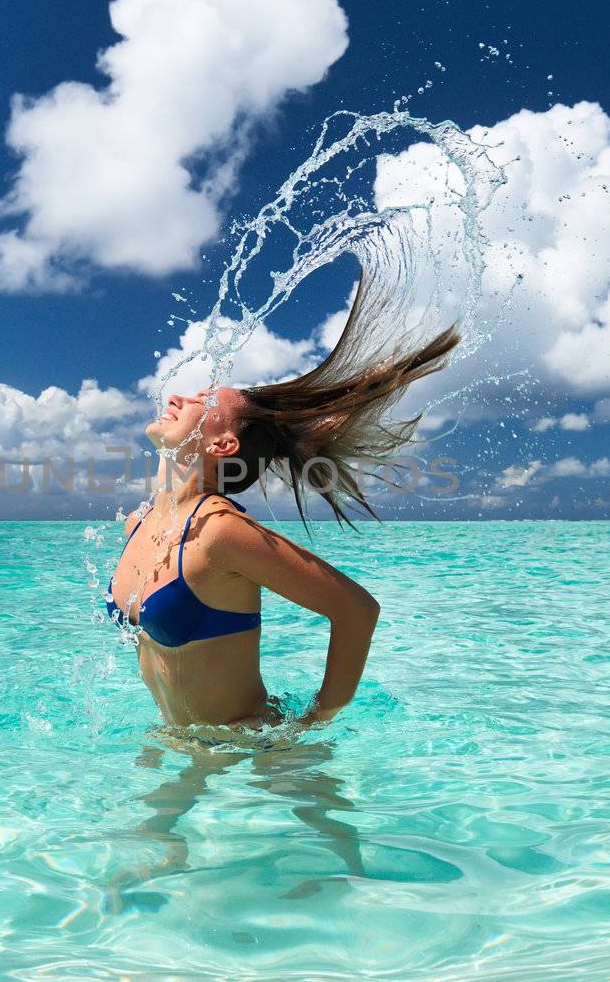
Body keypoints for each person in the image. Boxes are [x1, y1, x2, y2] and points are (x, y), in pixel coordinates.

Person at [105, 277, 460, 730]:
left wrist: (314, 722)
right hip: (176, 744)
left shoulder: (218, 531)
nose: (176, 398)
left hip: (256, 752)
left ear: (224, 444)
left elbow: (356, 609)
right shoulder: (138, 523)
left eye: (204, 401)